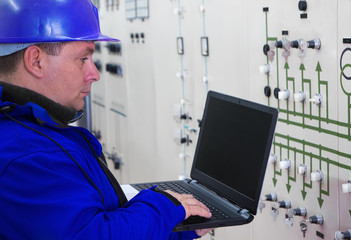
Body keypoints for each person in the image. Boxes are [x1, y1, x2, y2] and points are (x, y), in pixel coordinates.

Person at [0, 0, 212, 239]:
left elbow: (86, 221)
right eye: (83, 59)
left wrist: (176, 226)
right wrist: (163, 206)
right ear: (36, 61)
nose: (95, 74)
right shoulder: (27, 154)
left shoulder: (34, 128)